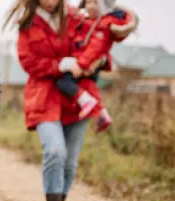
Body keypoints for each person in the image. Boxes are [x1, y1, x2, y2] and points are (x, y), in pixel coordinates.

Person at [5, 0, 136, 201]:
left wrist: (102, 56)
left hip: (76, 97)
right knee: (55, 152)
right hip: (44, 98)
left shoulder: (77, 16)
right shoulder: (29, 23)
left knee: (70, 163)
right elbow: (28, 62)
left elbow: (102, 34)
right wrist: (60, 65)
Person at [55, 0, 138, 133]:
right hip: (84, 62)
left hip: (85, 64)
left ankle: (86, 102)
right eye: (88, 2)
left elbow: (95, 48)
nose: (91, 6)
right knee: (88, 85)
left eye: (95, 2)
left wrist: (81, 64)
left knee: (64, 82)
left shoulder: (102, 25)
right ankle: (102, 113)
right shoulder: (86, 21)